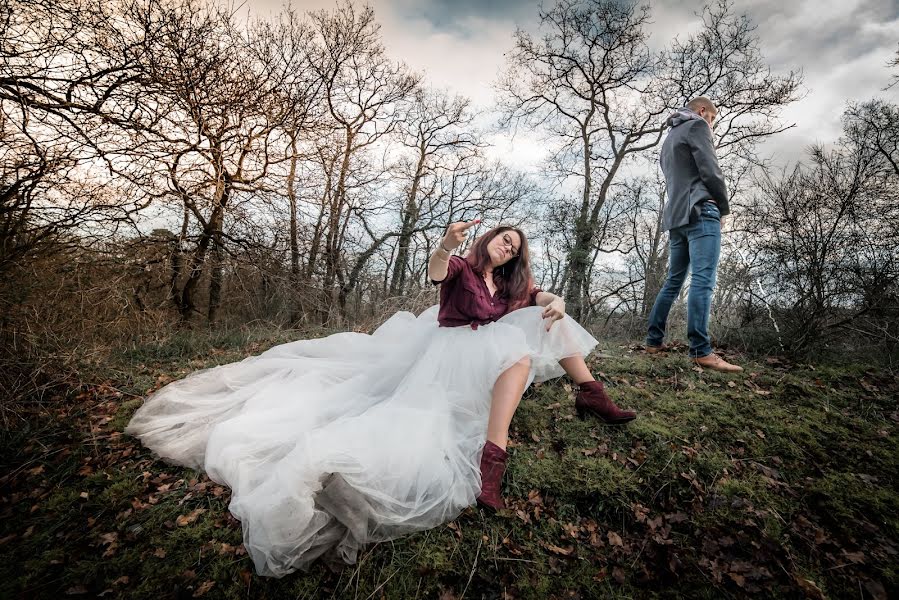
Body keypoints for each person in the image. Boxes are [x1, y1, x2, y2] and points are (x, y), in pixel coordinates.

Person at [125, 221, 635, 578]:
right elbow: (436, 272)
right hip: (449, 351)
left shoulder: (508, 284)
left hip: (487, 353)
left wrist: (555, 300)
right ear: (487, 241)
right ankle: (497, 455)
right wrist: (445, 244)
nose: (506, 248)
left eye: (514, 247)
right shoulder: (459, 266)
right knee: (515, 355)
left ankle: (590, 395)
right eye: (503, 240)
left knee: (547, 325)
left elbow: (539, 298)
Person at [644, 96, 743, 373]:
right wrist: (722, 208)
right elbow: (710, 170)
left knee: (673, 281)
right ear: (702, 111)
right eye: (712, 119)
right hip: (701, 211)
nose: (711, 125)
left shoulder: (669, 139)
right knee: (703, 280)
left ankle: (653, 341)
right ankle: (701, 350)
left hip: (676, 217)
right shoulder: (698, 127)